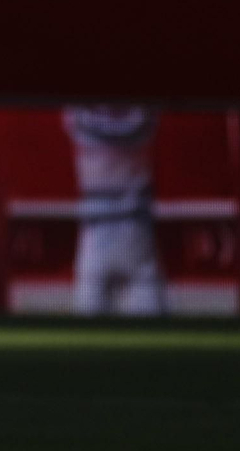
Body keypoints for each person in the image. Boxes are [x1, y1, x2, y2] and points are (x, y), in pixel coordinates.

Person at [62, 105, 164, 316]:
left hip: (135, 231)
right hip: (96, 231)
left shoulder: (142, 116)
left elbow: (140, 126)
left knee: (153, 332)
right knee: (86, 331)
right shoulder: (80, 117)